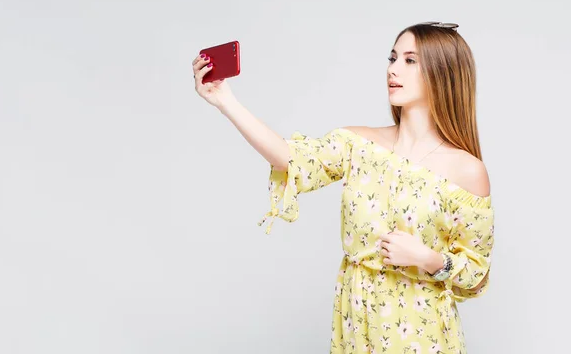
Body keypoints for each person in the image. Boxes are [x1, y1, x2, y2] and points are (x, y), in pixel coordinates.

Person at [191, 21, 494, 354]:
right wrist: (225, 102)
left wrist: (428, 258)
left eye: (410, 60)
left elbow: (475, 275)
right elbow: (289, 158)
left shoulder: (467, 170)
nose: (393, 69)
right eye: (392, 58)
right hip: (355, 326)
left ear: (444, 72)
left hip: (422, 336)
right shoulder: (359, 144)